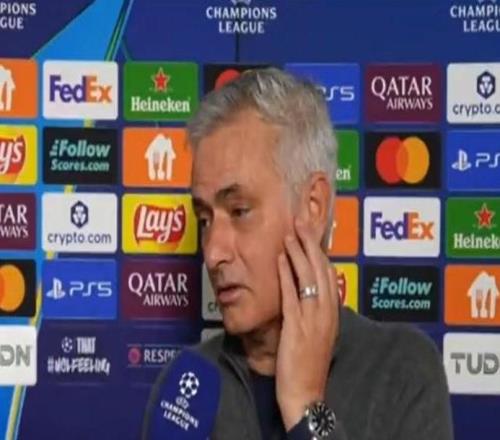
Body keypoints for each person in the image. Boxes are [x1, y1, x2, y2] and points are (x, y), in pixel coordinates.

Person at [142, 68, 453, 440]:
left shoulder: (402, 372)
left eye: (239, 211)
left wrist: (306, 407)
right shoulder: (185, 391)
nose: (213, 253)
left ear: (312, 207)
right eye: (205, 219)